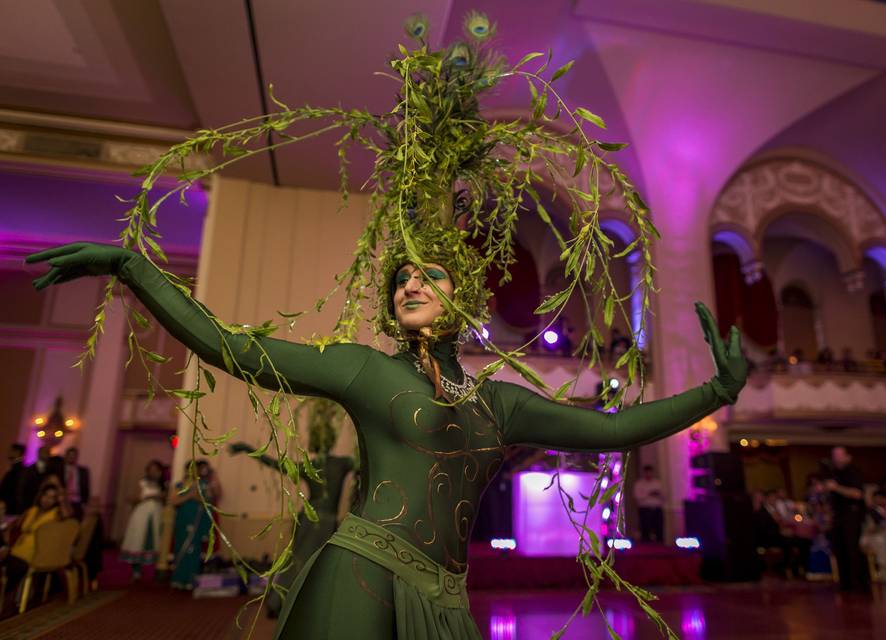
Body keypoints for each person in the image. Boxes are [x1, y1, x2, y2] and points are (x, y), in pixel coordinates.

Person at [23, 14, 748, 639]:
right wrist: (133, 266)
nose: (409, 281)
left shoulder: (503, 405)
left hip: (446, 597)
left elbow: (617, 428)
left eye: (429, 273)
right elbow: (229, 347)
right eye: (400, 275)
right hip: (360, 572)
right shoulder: (367, 371)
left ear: (463, 298)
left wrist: (716, 392)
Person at [230, 414, 356, 616]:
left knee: (300, 562)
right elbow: (363, 462)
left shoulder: (312, 466)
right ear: (331, 440)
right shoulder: (341, 464)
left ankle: (282, 604)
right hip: (323, 521)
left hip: (311, 520)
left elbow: (275, 464)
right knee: (311, 564)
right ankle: (284, 604)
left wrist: (247, 448)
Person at [0, 481, 72, 612]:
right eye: (46, 495)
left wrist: (62, 499)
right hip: (17, 549)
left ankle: (3, 594)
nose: (48, 500)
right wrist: (6, 536)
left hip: (35, 553)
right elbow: (15, 525)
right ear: (40, 496)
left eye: (52, 497)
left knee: (15, 567)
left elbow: (68, 517)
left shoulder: (56, 514)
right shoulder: (32, 510)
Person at [170, 459, 221, 590]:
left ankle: (190, 579)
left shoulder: (203, 485)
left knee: (194, 549)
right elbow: (174, 501)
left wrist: (198, 494)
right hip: (183, 519)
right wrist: (189, 496)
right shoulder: (180, 485)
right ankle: (178, 578)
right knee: (181, 546)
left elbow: (210, 499)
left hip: (197, 520)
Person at [824, 446, 869, 592]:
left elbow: (857, 494)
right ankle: (847, 583)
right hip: (839, 516)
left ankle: (858, 582)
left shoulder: (852, 472)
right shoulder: (835, 473)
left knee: (851, 549)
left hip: (851, 515)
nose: (836, 458)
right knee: (840, 549)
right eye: (834, 455)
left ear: (847, 457)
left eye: (839, 455)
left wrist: (836, 488)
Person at [119, 460, 166, 581]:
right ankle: (136, 571)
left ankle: (155, 570)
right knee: (138, 541)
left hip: (156, 515)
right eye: (151, 470)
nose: (153, 472)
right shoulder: (142, 483)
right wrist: (145, 497)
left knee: (155, 540)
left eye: (156, 470)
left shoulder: (164, 485)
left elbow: (167, 500)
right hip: (142, 514)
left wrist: (160, 496)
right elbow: (131, 498)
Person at [632, 465, 664, 543]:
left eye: (650, 472)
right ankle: (646, 545)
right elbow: (637, 496)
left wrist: (656, 494)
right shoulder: (639, 484)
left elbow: (663, 496)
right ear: (644, 473)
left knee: (659, 528)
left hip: (657, 508)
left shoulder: (657, 483)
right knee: (645, 528)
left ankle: (660, 545)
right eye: (647, 473)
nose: (648, 474)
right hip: (645, 509)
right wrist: (649, 493)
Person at [0, 443, 30, 516]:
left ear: (17, 452)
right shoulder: (16, 467)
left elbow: (12, 489)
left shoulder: (19, 469)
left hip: (10, 507)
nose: (8, 452)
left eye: (11, 450)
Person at [63, 447, 90, 518]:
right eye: (70, 455)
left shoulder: (83, 471)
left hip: (77, 502)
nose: (72, 457)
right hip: (63, 501)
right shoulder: (60, 469)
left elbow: (86, 488)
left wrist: (85, 503)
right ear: (66, 456)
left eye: (74, 456)